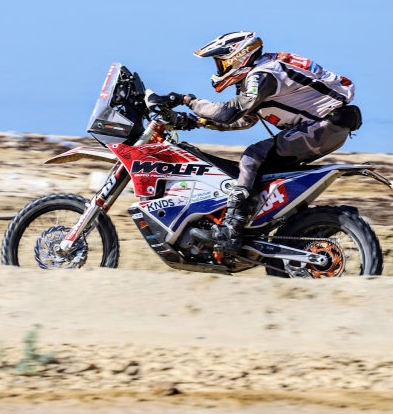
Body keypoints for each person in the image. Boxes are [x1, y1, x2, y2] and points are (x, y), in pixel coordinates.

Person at [150, 31, 362, 254]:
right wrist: (197, 122)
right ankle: (289, 225)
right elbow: (244, 119)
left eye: (221, 63)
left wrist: (187, 100)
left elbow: (228, 113)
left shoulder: (262, 75)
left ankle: (233, 228)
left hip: (324, 127)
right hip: (327, 127)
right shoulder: (262, 72)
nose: (219, 69)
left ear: (238, 56)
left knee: (253, 156)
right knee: (267, 173)